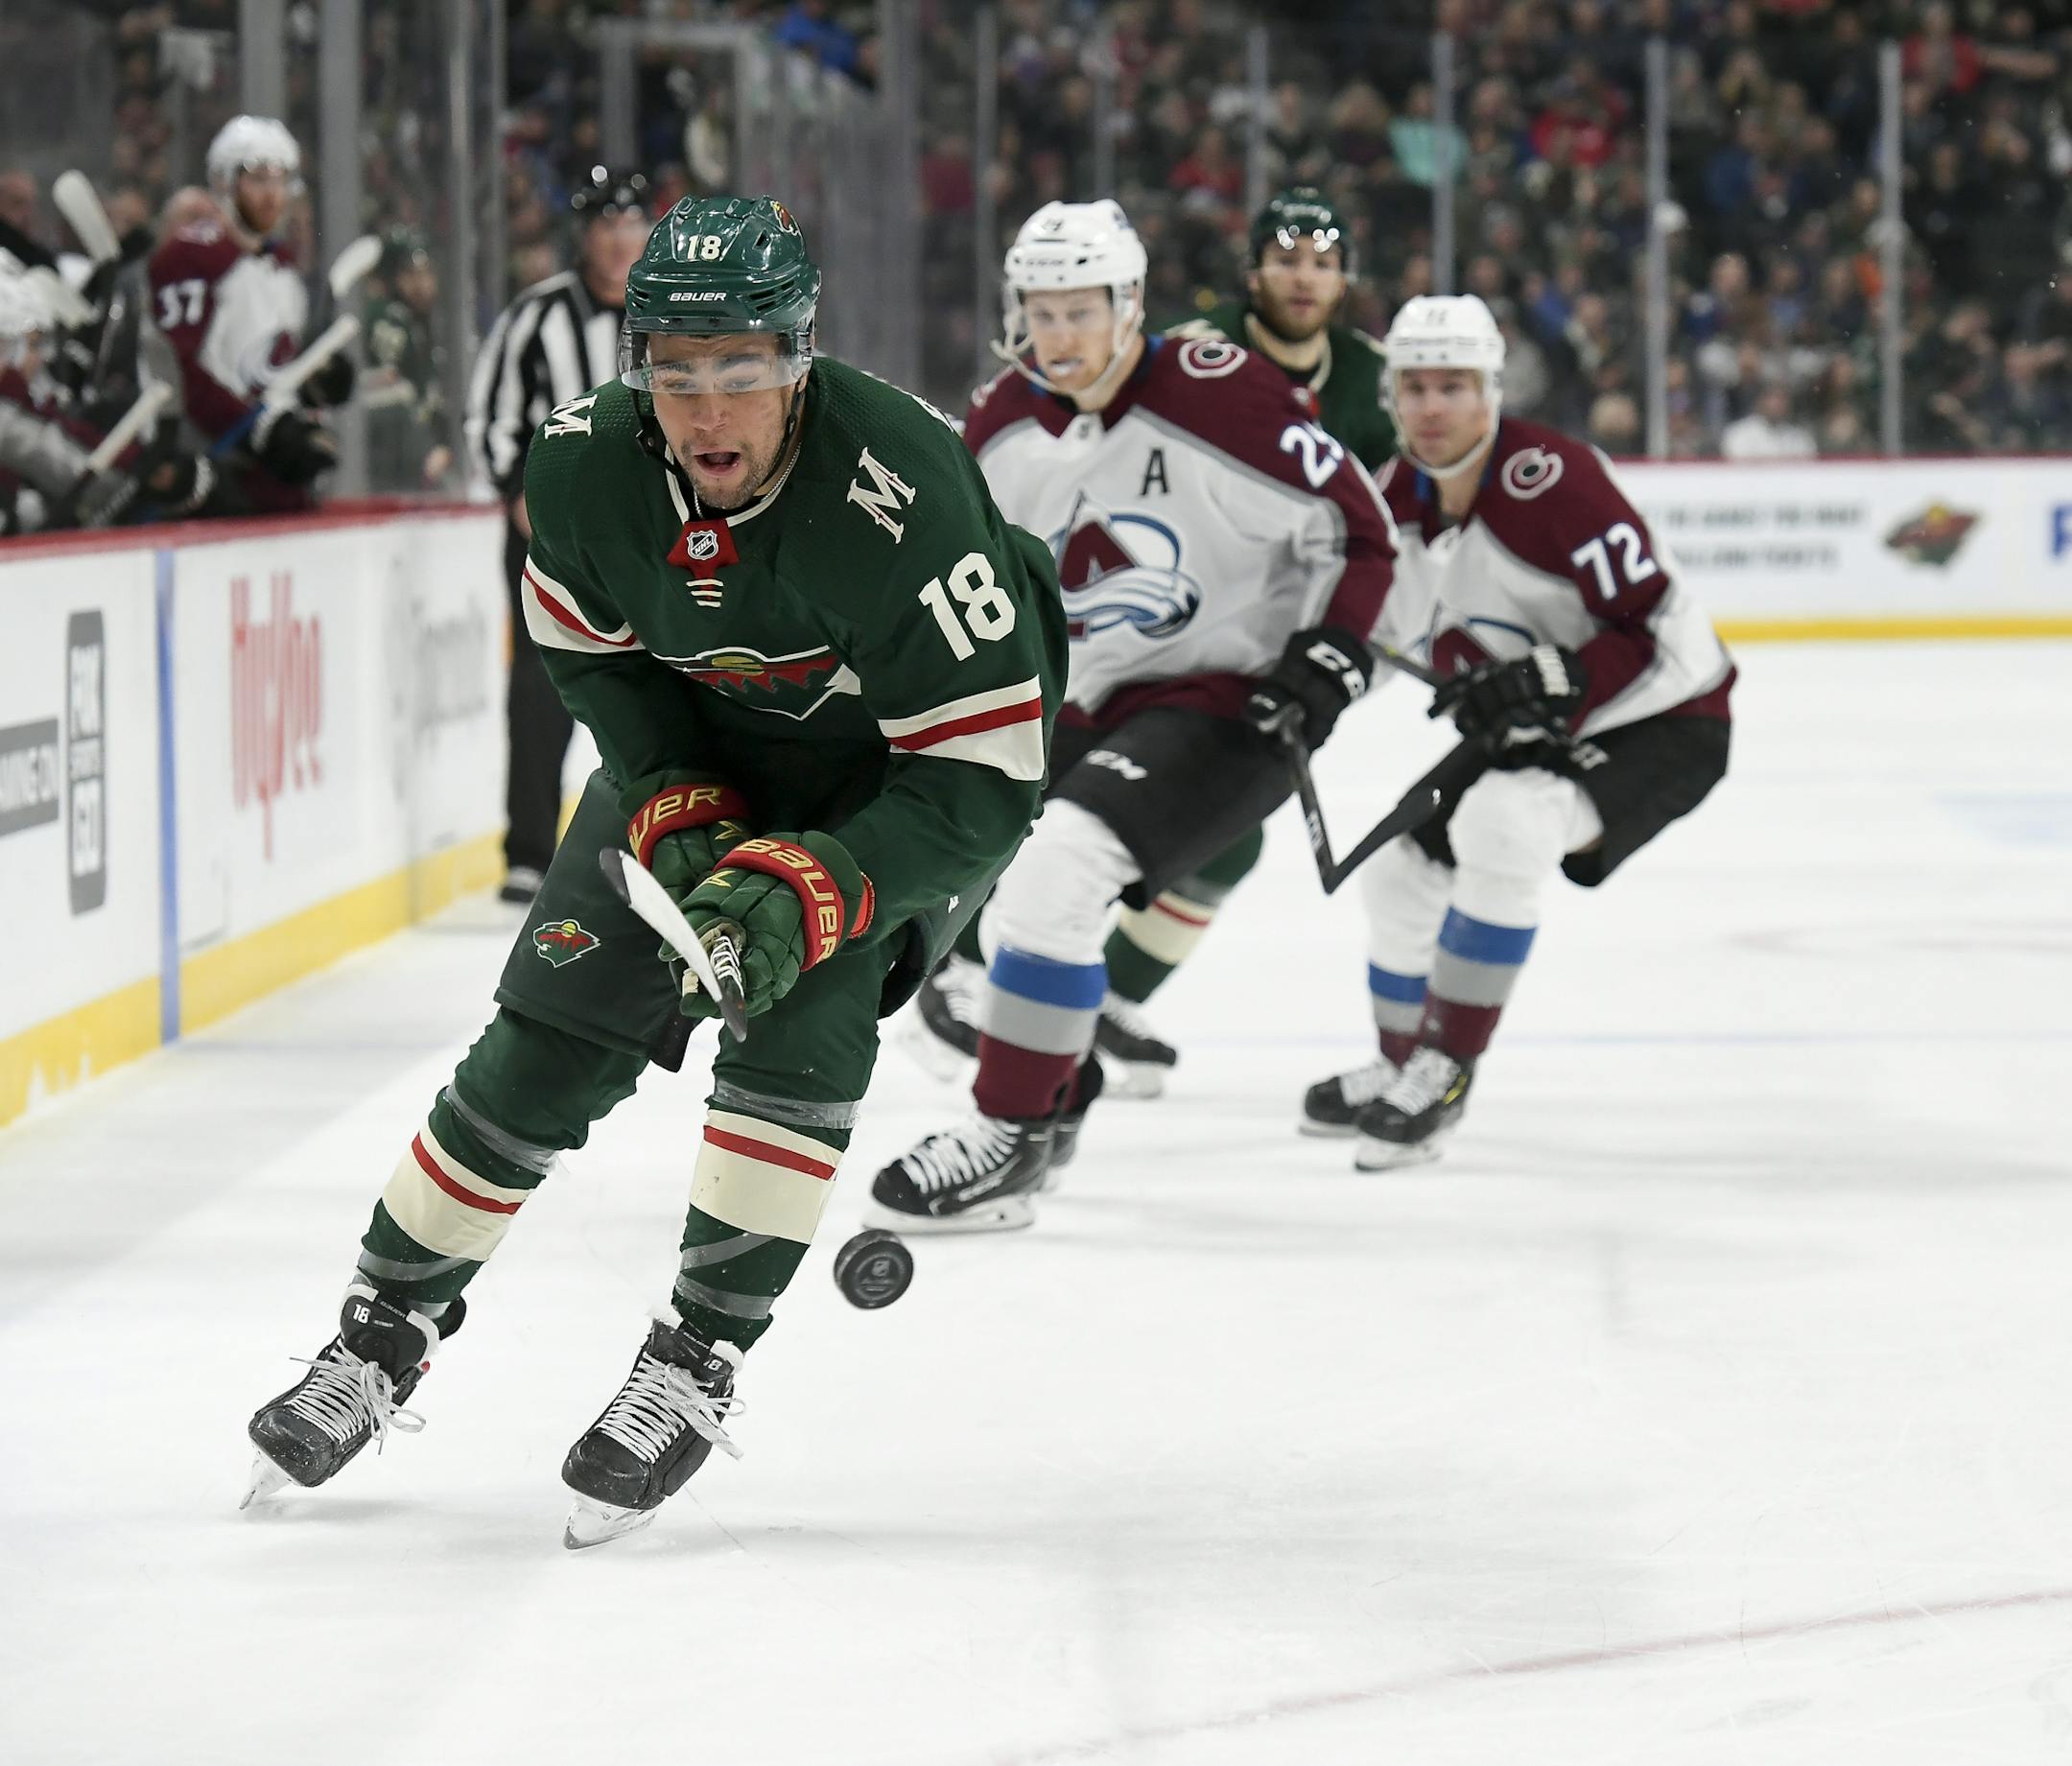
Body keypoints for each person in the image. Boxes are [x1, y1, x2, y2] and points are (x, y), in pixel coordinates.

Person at [244, 194, 1068, 1547]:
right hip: (694, 762)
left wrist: (821, 883)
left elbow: (987, 779)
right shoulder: (579, 468)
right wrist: (678, 807)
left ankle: (693, 1362)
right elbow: (592, 658)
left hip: (881, 794)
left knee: (793, 1054)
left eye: (741, 367)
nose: (706, 408)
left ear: (799, 359)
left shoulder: (905, 485)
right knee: (541, 1044)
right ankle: (381, 1329)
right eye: (674, 371)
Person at [867, 198, 1398, 1235]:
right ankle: (1049, 1091)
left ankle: (1011, 1133)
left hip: (1229, 699)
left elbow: (1360, 532)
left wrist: (1329, 659)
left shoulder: (1223, 393)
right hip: (1081, 697)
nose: (1057, 337)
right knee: (983, 854)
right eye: (1040, 312)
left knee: (1062, 868)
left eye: (1080, 312)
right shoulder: (1007, 421)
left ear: (1131, 306)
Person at [1299, 294, 1733, 1166]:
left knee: (1505, 821)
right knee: (1399, 871)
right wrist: (1315, 684)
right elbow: (1380, 636)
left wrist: (1556, 679)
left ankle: (1447, 1072)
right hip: (1534, 728)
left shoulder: (1557, 480)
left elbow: (1663, 637)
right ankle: (1402, 1064)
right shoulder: (1396, 500)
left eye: (1453, 385)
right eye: (1414, 386)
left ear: (1492, 390)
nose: (1432, 406)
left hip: (1666, 721)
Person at [465, 166, 653, 906]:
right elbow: (490, 415)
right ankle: (530, 847)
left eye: (629, 224)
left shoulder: (669, 318)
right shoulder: (537, 317)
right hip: (551, 535)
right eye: (604, 226)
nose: (617, 241)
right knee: (540, 685)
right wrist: (517, 491)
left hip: (646, 533)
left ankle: (656, 835)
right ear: (585, 236)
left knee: (657, 677)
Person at [148, 115, 350, 512]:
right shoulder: (191, 257)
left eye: (281, 180)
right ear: (224, 180)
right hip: (213, 480)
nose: (273, 194)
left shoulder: (282, 268)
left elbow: (268, 371)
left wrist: (313, 384)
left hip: (275, 481)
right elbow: (181, 371)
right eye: (258, 179)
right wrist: (262, 430)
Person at [0, 264, 216, 533]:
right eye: (32, 345)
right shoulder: (8, 415)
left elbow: (62, 435)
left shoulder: (23, 398)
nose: (40, 357)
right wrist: (129, 482)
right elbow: (47, 454)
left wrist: (138, 464)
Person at [362, 229, 453, 491]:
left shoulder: (426, 323)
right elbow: (397, 397)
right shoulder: (388, 320)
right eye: (411, 275)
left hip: (415, 456)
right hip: (389, 464)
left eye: (427, 274)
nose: (422, 285)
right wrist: (427, 448)